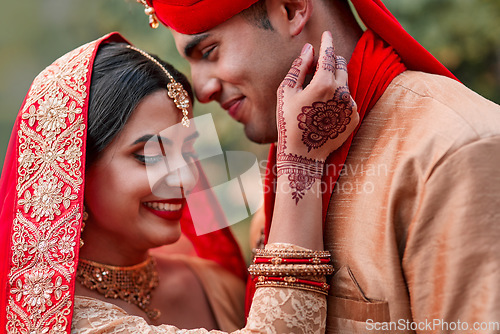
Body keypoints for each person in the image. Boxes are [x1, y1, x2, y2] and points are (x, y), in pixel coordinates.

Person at [135, 0, 500, 333]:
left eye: (209, 51)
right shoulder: (288, 174)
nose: (201, 90)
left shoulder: (454, 151)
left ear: (291, 9)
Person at [0, 30, 357, 333]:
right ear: (73, 167)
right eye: (150, 155)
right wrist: (301, 163)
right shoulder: (55, 319)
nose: (186, 177)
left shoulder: (209, 282)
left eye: (187, 151)